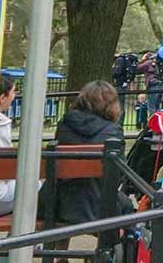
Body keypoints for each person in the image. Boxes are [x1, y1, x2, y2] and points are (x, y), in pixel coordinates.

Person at [53, 81, 128, 224]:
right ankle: (111, 245)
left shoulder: (64, 125)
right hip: (97, 205)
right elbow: (118, 172)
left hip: (59, 203)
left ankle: (57, 244)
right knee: (127, 207)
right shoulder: (113, 131)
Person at [0, 75, 21, 215]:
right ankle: (20, 236)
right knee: (36, 186)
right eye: (13, 92)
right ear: (2, 98)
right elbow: (7, 168)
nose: (14, 96)